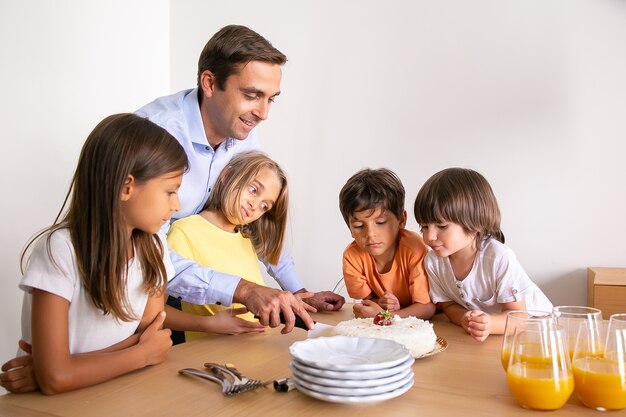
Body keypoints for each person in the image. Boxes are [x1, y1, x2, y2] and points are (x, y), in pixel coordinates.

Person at [135, 24, 344, 331]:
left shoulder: (242, 131)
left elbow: (259, 220)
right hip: (140, 290)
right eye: (251, 95)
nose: (263, 113)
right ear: (209, 82)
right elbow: (152, 256)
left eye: (270, 99)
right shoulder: (155, 134)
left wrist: (297, 292)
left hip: (198, 289)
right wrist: (244, 289)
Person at [3, 114, 184, 394]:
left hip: (116, 393)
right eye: (170, 191)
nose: (177, 204)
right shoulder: (60, 251)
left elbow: (152, 337)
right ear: (126, 187)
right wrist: (139, 355)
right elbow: (57, 379)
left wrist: (63, 369)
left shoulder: (154, 249)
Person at [414, 167, 553, 342]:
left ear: (475, 222)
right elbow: (448, 305)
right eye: (424, 227)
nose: (429, 236)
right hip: (494, 336)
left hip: (538, 331)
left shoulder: (498, 258)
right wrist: (464, 319)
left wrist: (490, 324)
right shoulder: (434, 261)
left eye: (442, 227)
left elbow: (520, 318)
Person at [168, 151, 290, 341]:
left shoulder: (246, 239)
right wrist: (210, 324)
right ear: (226, 175)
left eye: (265, 206)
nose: (254, 205)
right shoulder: (184, 231)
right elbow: (153, 309)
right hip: (213, 356)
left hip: (258, 346)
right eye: (253, 190)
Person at [339, 168, 436, 320]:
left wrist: (386, 315)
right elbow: (368, 301)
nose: (370, 233)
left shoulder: (414, 250)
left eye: (380, 222)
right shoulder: (352, 256)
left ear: (401, 220)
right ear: (350, 229)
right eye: (359, 226)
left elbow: (427, 308)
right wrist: (384, 304)